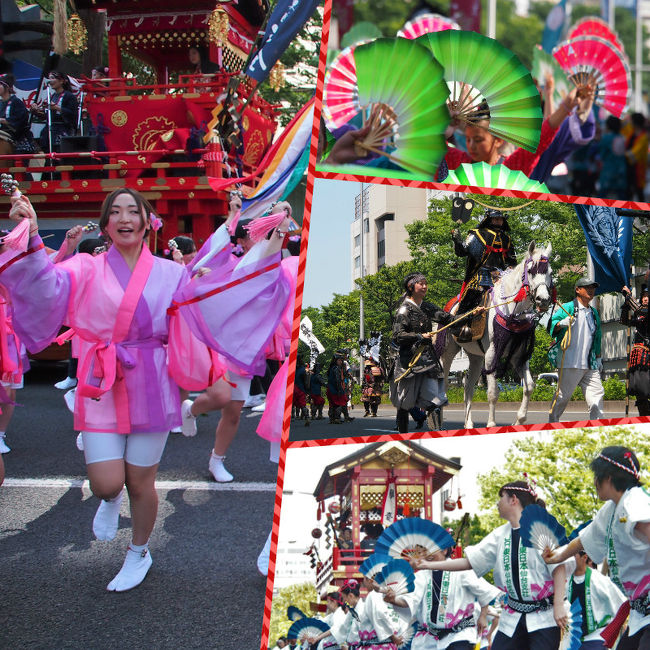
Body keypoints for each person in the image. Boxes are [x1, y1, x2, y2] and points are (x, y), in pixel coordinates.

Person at [1, 188, 218, 592]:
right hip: (102, 378)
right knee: (105, 483)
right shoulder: (86, 266)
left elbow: (198, 316)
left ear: (146, 221)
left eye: (132, 211)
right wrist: (30, 233)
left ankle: (139, 552)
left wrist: (206, 289)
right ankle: (107, 499)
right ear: (105, 225)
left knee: (140, 482)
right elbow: (45, 285)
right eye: (115, 212)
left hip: (152, 378)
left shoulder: (173, 273)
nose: (124, 218)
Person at [413, 481, 569, 650]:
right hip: (513, 615)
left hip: (544, 616)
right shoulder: (500, 535)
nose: (497, 503)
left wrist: (559, 605)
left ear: (513, 500)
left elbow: (559, 566)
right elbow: (469, 562)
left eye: (501, 497)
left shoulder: (542, 527)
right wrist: (428, 565)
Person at [543, 446, 650, 649]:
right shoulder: (610, 510)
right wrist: (555, 557)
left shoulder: (635, 500)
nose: (594, 483)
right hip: (639, 613)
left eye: (596, 476)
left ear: (607, 477)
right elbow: (583, 541)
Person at [384, 546, 501, 650]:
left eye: (430, 549)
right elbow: (411, 599)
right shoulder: (421, 575)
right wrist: (394, 600)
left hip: (459, 634)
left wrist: (483, 615)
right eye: (423, 550)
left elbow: (484, 592)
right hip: (429, 637)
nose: (427, 554)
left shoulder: (461, 571)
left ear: (444, 550)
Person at [389, 272, 454, 433]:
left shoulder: (426, 306)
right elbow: (397, 336)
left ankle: (436, 434)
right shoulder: (404, 309)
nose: (425, 286)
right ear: (411, 287)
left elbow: (447, 318)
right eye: (421, 284)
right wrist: (419, 336)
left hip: (428, 361)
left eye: (426, 283)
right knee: (404, 404)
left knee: (435, 401)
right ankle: (402, 436)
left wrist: (472, 314)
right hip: (408, 362)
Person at [452, 208, 516, 340]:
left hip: (501, 274)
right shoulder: (478, 234)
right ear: (489, 219)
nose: (498, 221)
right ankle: (460, 325)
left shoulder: (506, 238)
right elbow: (463, 251)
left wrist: (511, 273)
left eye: (500, 219)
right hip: (482, 272)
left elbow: (512, 261)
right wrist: (457, 241)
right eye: (495, 218)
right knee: (474, 291)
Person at [548, 278, 603, 423]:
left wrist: (598, 357)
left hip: (590, 363)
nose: (591, 290)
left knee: (597, 395)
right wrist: (561, 323)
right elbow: (552, 325)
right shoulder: (568, 307)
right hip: (569, 362)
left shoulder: (594, 313)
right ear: (578, 289)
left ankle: (598, 427)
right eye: (587, 287)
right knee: (562, 397)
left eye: (593, 287)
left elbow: (597, 336)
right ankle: (552, 423)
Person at [566, 548, 627, 649]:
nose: (569, 560)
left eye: (573, 555)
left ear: (584, 557)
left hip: (595, 637)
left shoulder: (600, 581)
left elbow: (622, 605)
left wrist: (610, 633)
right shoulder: (565, 580)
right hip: (572, 638)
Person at [620, 284, 650, 416]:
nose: (645, 299)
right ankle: (644, 417)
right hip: (638, 357)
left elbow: (638, 310)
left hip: (648, 355)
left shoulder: (644, 312)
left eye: (648, 297)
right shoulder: (640, 314)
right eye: (643, 296)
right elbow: (624, 321)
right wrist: (626, 306)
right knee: (640, 391)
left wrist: (628, 296)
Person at [31, 71, 78, 152]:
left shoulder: (69, 96)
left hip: (63, 129)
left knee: (59, 152)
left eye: (53, 78)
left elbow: (73, 114)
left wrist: (56, 107)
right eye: (49, 79)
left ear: (62, 81)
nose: (50, 81)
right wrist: (36, 111)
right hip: (50, 129)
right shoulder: (52, 96)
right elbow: (47, 116)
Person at [0, 74, 32, 155]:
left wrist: (4, 121)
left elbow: (21, 119)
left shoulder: (16, 101)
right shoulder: (0, 103)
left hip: (17, 138)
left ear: (7, 87)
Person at [597, 116, 628, 199]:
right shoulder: (622, 138)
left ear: (608, 125)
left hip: (608, 171)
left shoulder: (606, 138)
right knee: (621, 196)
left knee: (602, 196)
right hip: (621, 171)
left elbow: (602, 155)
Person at [624, 113, 648, 202]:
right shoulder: (631, 132)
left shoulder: (643, 137)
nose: (630, 122)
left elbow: (635, 154)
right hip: (628, 168)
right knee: (628, 193)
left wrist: (623, 154)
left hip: (637, 170)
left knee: (639, 192)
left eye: (631, 120)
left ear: (635, 122)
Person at [327, 355, 351, 424]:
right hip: (335, 388)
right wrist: (339, 389)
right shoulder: (336, 368)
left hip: (330, 388)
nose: (341, 362)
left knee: (332, 404)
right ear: (336, 361)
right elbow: (337, 380)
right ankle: (337, 418)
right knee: (339, 403)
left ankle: (332, 419)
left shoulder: (331, 368)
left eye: (341, 360)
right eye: (339, 360)